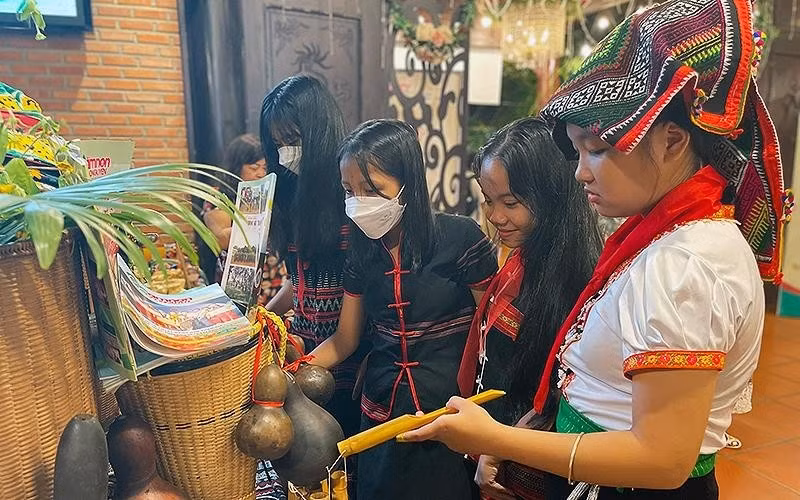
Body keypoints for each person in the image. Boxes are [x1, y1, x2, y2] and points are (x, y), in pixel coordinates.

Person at [401, 1, 788, 499]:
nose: (581, 171)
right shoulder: (660, 238)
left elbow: (662, 458)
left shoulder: (687, 263)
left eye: (597, 148)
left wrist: (497, 436)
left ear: (671, 141)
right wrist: (515, 440)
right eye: (577, 150)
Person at [309, 119, 498, 500]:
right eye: (350, 191)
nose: (359, 202)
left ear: (408, 183)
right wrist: (294, 366)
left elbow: (491, 335)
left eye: (372, 189)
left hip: (450, 415)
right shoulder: (361, 252)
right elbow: (345, 340)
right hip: (379, 416)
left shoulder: (460, 239)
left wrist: (498, 428)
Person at [459, 117, 602, 500]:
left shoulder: (576, 278)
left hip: (529, 463)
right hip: (495, 444)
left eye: (510, 203)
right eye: (489, 200)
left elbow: (559, 393)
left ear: (552, 196)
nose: (495, 216)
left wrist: (501, 446)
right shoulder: (521, 258)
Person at [259, 75, 366, 487]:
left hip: (344, 363)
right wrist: (262, 317)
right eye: (278, 143)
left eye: (294, 139)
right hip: (304, 355)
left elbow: (366, 296)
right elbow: (299, 283)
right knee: (301, 475)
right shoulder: (289, 196)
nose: (286, 153)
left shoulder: (351, 197)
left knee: (338, 473)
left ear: (319, 132)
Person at [201, 133, 288, 304]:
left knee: (275, 324)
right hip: (238, 280)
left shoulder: (273, 193)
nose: (260, 174)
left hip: (274, 277)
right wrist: (260, 222)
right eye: (254, 167)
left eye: (265, 168)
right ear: (236, 166)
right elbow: (221, 239)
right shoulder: (220, 195)